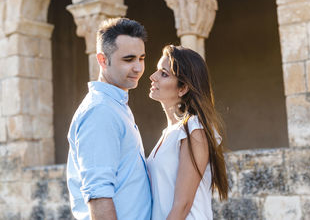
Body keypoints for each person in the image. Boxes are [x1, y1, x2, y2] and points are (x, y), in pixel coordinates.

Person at [66, 18, 152, 220]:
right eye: (129, 59)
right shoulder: (101, 111)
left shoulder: (115, 106)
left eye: (141, 58)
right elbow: (98, 195)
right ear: (103, 60)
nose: (138, 68)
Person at [147, 45, 229, 219]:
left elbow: (182, 205)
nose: (152, 77)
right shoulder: (170, 132)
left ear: (183, 88)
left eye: (163, 74)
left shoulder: (194, 127)